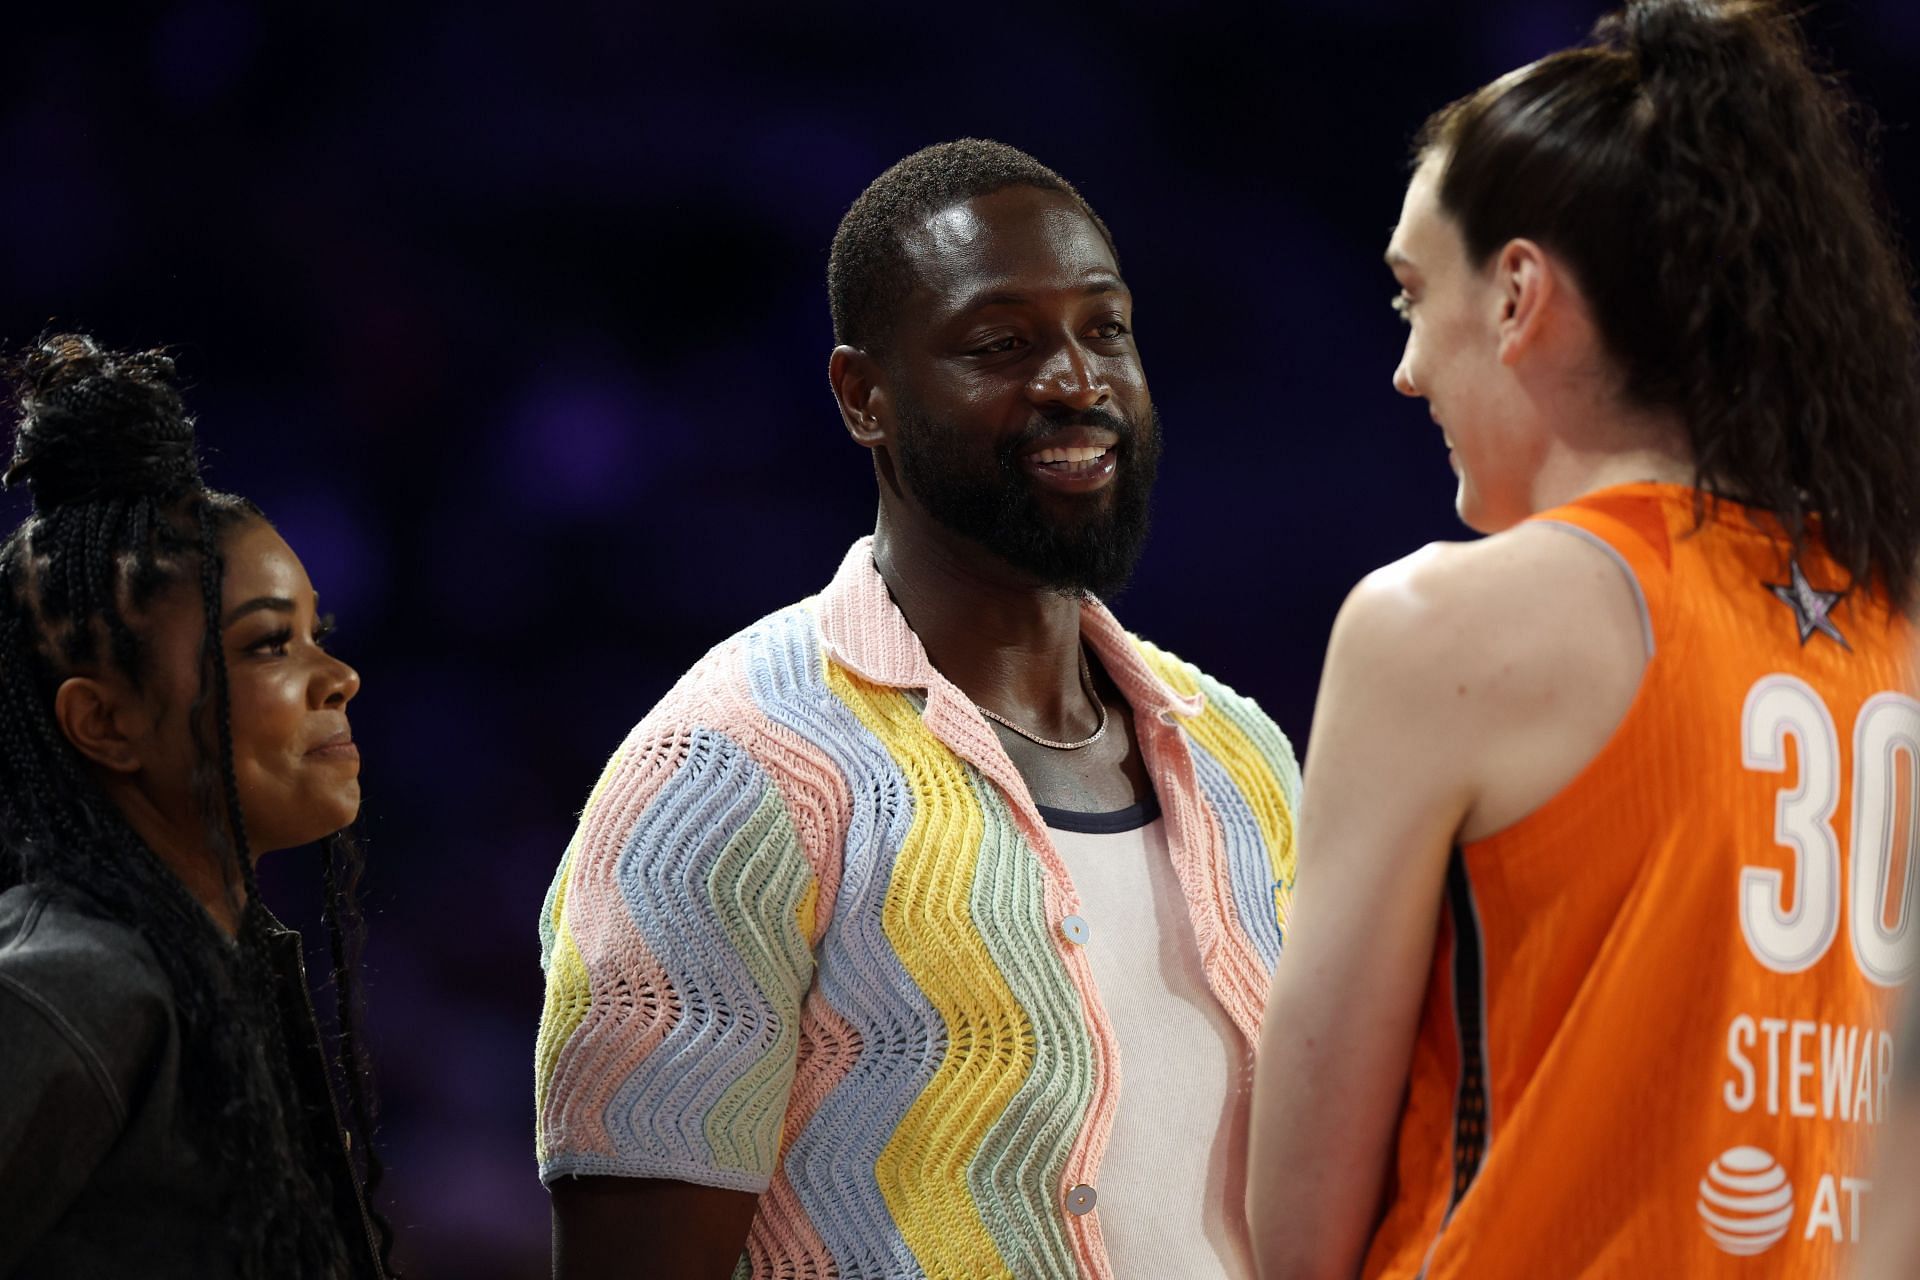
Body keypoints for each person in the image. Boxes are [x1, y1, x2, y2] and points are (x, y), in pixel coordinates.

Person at [536, 138, 1300, 1279]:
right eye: (1001, 344)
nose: (1075, 381)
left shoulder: (1242, 752)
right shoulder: (727, 771)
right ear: (864, 397)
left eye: (1107, 328)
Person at [1245, 2, 1920, 1277]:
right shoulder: (1892, 614)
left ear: (1517, 293)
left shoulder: (1436, 626)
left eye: (1411, 293)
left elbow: (1298, 1229)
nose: (1405, 368)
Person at [0, 335, 396, 1278]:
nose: (337, 678)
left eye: (315, 635)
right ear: (104, 721)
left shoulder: (205, 962)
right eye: (267, 646)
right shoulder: (62, 993)